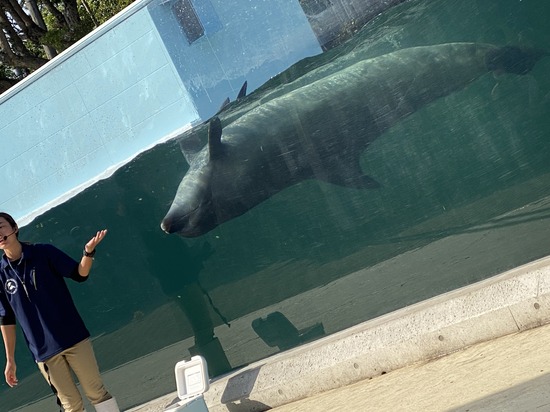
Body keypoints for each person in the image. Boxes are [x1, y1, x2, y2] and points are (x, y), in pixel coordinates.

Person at [0, 212, 119, 412]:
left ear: (14, 228)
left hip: (74, 337)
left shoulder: (44, 252)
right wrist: (10, 360)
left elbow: (79, 274)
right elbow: (6, 319)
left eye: (1, 226)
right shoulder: (1, 274)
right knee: (71, 405)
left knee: (96, 392)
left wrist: (88, 252)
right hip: (43, 351)